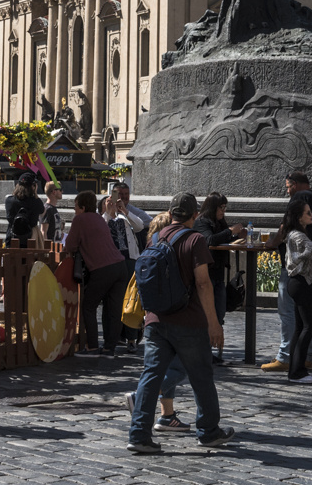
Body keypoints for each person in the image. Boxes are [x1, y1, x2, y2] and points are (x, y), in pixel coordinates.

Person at [127, 192, 234, 454]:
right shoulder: (195, 240)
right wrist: (213, 323)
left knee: (151, 375)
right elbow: (202, 282)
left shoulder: (155, 237)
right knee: (201, 376)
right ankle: (208, 432)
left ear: (170, 211)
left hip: (155, 319)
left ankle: (139, 434)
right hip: (188, 321)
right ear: (195, 215)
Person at [263, 170, 312, 373]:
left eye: (287, 187)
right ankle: (308, 356)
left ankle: (286, 356)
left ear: (295, 184)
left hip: (296, 264)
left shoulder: (301, 198)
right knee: (310, 313)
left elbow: (286, 225)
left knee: (289, 311)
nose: (287, 192)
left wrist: (272, 242)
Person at [66, 190, 126, 353]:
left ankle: (92, 345)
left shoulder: (80, 219)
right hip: (120, 266)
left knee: (88, 306)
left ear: (83, 207)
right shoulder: (99, 219)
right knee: (114, 310)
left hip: (102, 268)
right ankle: (109, 348)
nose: (75, 210)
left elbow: (70, 245)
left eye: (76, 207)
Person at [274, 197, 312, 384]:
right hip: (299, 282)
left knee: (301, 327)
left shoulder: (296, 233)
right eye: (308, 213)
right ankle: (297, 371)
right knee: (309, 326)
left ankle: (296, 369)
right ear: (299, 217)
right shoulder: (297, 235)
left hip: (298, 282)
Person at [192, 193, 243, 363]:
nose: (223, 211)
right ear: (213, 207)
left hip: (219, 273)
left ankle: (211, 349)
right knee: (207, 313)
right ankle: (203, 352)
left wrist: (237, 237)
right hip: (208, 272)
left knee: (219, 312)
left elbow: (224, 238)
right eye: (221, 208)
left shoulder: (220, 221)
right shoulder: (202, 221)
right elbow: (209, 240)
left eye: (225, 208)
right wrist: (229, 232)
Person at [105, 186, 145, 353]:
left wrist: (124, 211)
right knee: (114, 301)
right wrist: (109, 212)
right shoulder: (105, 217)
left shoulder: (126, 217)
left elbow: (140, 226)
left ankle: (131, 338)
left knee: (131, 300)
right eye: (118, 195)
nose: (121, 198)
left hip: (130, 261)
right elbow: (101, 227)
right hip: (113, 262)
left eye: (125, 195)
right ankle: (113, 338)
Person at [4, 173, 46, 247]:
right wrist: (35, 194)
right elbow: (42, 212)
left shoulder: (9, 201)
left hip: (12, 238)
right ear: (33, 187)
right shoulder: (35, 202)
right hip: (30, 239)